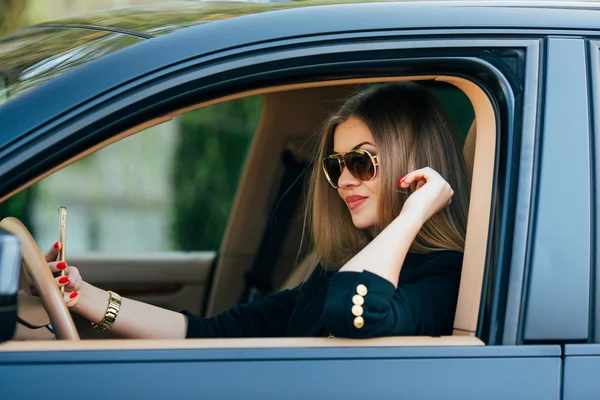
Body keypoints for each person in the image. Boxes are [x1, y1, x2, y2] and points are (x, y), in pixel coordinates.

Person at [45, 81, 470, 339]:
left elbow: (352, 309)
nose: (342, 180)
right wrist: (85, 298)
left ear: (412, 168)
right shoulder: (332, 271)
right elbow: (210, 334)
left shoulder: (445, 276)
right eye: (335, 165)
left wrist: (414, 213)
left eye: (361, 162)